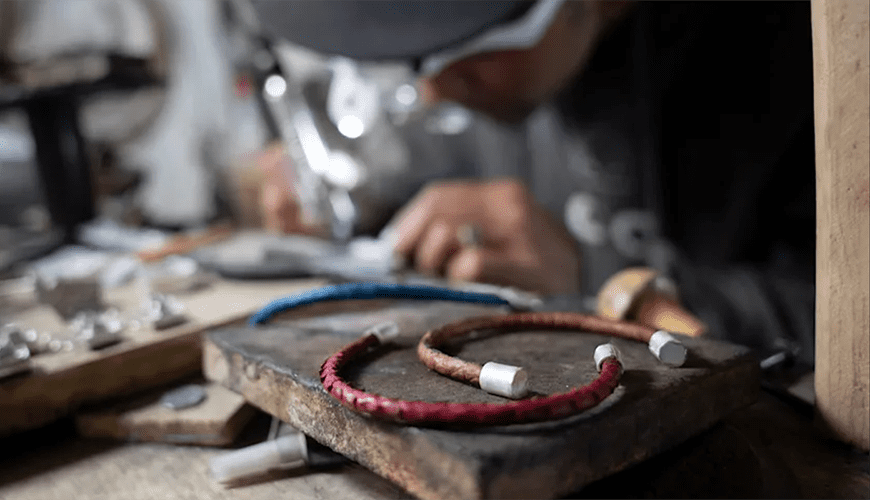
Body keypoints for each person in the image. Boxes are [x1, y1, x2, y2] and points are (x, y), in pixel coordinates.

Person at [248, 0, 815, 366]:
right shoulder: (491, 76)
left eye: (469, 49)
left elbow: (835, 322)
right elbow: (410, 168)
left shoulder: (806, 65)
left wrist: (600, 285)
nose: (434, 92)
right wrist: (352, 195)